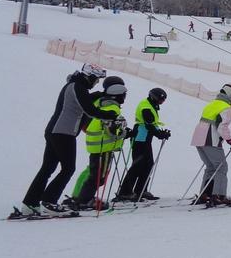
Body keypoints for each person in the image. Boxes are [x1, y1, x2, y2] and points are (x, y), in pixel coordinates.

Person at [18, 63, 115, 216]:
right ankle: (49, 201)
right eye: (95, 80)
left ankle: (30, 203)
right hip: (63, 133)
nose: (95, 83)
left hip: (55, 131)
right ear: (89, 77)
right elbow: (89, 109)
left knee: (48, 168)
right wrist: (110, 115)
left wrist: (99, 95)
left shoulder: (74, 86)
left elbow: (84, 100)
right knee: (68, 168)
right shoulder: (77, 87)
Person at [66, 77, 129, 211]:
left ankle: (79, 197)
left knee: (94, 172)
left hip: (95, 142)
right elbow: (110, 128)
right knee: (98, 176)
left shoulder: (99, 101)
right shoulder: (111, 106)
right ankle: (84, 199)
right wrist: (123, 132)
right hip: (103, 144)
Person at [115, 87, 171, 202]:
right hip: (140, 139)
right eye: (160, 100)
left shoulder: (150, 105)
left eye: (163, 101)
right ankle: (124, 192)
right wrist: (160, 135)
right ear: (153, 97)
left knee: (148, 165)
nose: (161, 102)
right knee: (137, 166)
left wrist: (161, 132)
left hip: (145, 139)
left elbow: (152, 124)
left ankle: (141, 190)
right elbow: (149, 125)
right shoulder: (146, 107)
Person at [190, 83, 231, 206]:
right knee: (221, 167)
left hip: (198, 137)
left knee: (211, 167)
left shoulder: (211, 104)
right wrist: (230, 140)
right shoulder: (226, 107)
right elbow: (221, 126)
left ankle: (205, 194)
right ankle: (219, 195)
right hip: (210, 138)